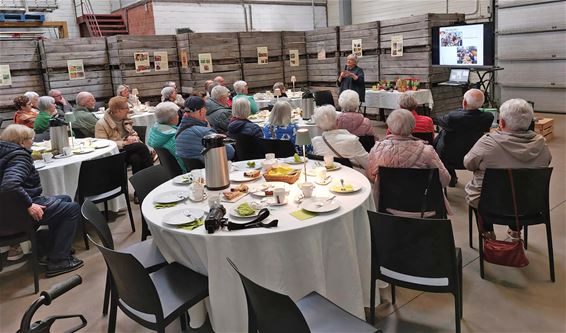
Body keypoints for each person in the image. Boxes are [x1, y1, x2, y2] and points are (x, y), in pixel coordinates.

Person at [0, 124, 83, 277]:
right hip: (15, 215)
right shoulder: (19, 156)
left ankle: (50, 250)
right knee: (72, 209)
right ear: (22, 141)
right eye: (31, 139)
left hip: (6, 211)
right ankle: (59, 260)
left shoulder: (4, 152)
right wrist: (29, 204)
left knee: (64, 198)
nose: (32, 142)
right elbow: (9, 185)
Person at [464, 98, 552, 240]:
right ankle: (515, 230)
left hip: (488, 204)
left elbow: (468, 164)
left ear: (502, 122)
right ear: (530, 122)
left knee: (478, 192)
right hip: (529, 205)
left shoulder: (487, 142)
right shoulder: (542, 144)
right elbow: (546, 161)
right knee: (519, 189)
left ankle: (487, 232)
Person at [367, 109, 450, 210]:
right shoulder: (428, 151)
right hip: (424, 210)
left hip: (387, 209)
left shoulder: (378, 149)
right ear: (412, 127)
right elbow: (445, 180)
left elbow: (371, 177)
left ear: (390, 127)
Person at [434, 88, 493, 187]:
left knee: (442, 134)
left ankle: (451, 177)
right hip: (475, 156)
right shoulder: (488, 117)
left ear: (464, 102)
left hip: (450, 158)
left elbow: (438, 120)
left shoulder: (452, 117)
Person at [95, 96, 153, 174]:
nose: (129, 110)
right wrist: (124, 143)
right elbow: (102, 143)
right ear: (118, 110)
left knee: (135, 158)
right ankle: (152, 173)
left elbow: (133, 132)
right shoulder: (101, 124)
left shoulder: (125, 118)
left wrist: (134, 137)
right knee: (140, 146)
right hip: (115, 152)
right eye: (127, 107)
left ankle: (141, 182)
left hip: (128, 150)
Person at [176, 96, 235, 163]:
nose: (206, 111)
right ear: (200, 111)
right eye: (205, 108)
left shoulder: (178, 130)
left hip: (194, 171)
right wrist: (212, 132)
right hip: (210, 170)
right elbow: (230, 153)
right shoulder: (203, 132)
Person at [311, 105, 368, 170]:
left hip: (327, 177)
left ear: (318, 126)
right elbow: (368, 163)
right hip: (352, 176)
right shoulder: (352, 140)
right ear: (338, 121)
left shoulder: (315, 142)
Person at [147, 101, 186, 173]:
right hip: (183, 175)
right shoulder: (174, 138)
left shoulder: (155, 131)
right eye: (177, 114)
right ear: (172, 119)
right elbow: (185, 163)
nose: (178, 116)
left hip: (168, 171)